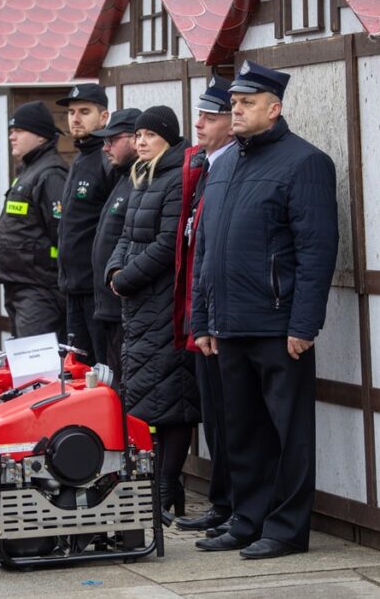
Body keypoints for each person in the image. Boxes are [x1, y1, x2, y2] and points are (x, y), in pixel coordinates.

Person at [191, 61, 338, 559]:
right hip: (228, 324)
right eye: (233, 102)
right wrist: (202, 319)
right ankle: (247, 520)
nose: (236, 109)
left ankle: (287, 529)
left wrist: (304, 323)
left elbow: (318, 251)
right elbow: (206, 250)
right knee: (243, 431)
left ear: (274, 108)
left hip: (279, 326)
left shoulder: (304, 163)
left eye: (247, 102)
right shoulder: (226, 164)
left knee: (289, 433)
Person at [105, 105, 199, 518]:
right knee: (145, 397)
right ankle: (153, 484)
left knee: (172, 398)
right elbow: (126, 235)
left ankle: (165, 486)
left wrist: (126, 279)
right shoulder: (142, 177)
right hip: (139, 306)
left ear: (168, 138)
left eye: (149, 135)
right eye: (138, 135)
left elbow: (168, 243)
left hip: (163, 303)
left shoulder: (175, 178)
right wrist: (114, 269)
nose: (140, 142)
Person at [173, 77, 237, 535]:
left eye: (210, 116)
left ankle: (235, 506)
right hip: (199, 313)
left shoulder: (230, 166)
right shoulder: (200, 166)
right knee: (215, 420)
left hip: (222, 315)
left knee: (233, 420)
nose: (199, 123)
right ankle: (223, 503)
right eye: (200, 114)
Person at [0, 101, 68, 340]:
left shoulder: (50, 174)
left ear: (42, 137)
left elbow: (61, 233)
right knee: (23, 359)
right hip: (20, 284)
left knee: (37, 362)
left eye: (19, 131)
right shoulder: (29, 171)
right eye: (11, 131)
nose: (12, 136)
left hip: (39, 289)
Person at [55, 84, 115, 365]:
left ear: (104, 117)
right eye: (70, 112)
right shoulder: (79, 159)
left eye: (84, 111)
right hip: (73, 288)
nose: (75, 118)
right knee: (78, 372)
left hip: (96, 292)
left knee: (101, 371)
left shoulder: (107, 160)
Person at [89, 107, 141, 375]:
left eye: (113, 140)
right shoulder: (122, 178)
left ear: (136, 138)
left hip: (123, 309)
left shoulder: (141, 181)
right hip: (106, 308)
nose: (106, 147)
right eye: (104, 141)